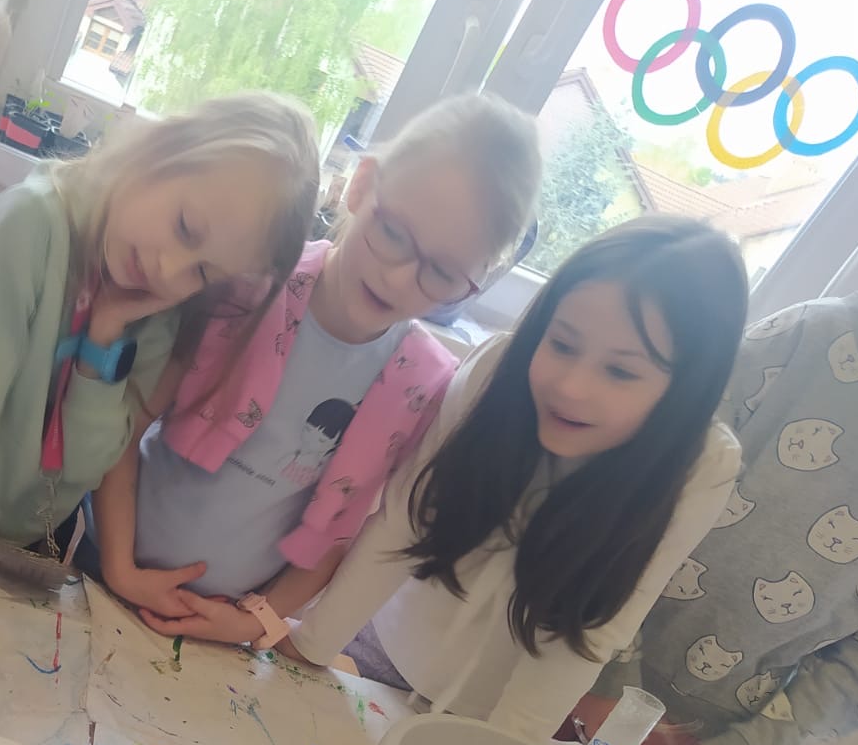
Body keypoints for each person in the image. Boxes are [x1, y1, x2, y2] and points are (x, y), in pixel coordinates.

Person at [89, 94, 542, 644]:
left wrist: (255, 622)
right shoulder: (248, 283)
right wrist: (121, 569)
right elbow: (124, 427)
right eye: (393, 234)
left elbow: (336, 535)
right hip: (102, 566)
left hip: (221, 632)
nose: (400, 278)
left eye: (443, 274)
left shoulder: (423, 387)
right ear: (361, 185)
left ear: (473, 285)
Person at [283, 216, 749, 744]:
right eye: (563, 344)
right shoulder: (496, 370)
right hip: (384, 642)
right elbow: (402, 524)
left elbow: (590, 633)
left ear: (684, 392)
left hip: (499, 714)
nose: (570, 387)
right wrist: (309, 645)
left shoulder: (702, 467)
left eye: (620, 371)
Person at [0, 92, 324, 650]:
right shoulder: (31, 223)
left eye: (202, 274)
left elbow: (86, 464)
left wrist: (104, 337)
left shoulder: (159, 309)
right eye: (185, 227)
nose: (169, 270)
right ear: (162, 151)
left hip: (17, 549)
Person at [573, 294, 858, 745]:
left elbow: (852, 672)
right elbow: (641, 491)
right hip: (577, 646)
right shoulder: (811, 334)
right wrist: (607, 675)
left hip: (695, 743)